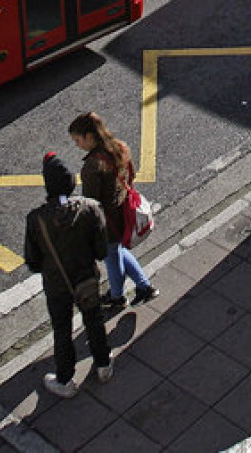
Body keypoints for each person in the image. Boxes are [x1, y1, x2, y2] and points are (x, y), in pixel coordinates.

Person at [24, 152, 113, 398]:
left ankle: (65, 379)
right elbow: (101, 250)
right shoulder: (91, 209)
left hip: (57, 285)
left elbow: (32, 261)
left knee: (62, 329)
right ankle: (103, 364)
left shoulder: (36, 219)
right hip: (86, 278)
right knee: (94, 320)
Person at [68, 112, 159, 310]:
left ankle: (117, 297)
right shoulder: (121, 147)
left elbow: (91, 203)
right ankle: (144, 287)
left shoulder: (92, 166)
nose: (77, 145)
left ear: (90, 137)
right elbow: (132, 174)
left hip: (107, 221)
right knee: (117, 251)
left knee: (112, 256)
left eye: (77, 140)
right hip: (124, 211)